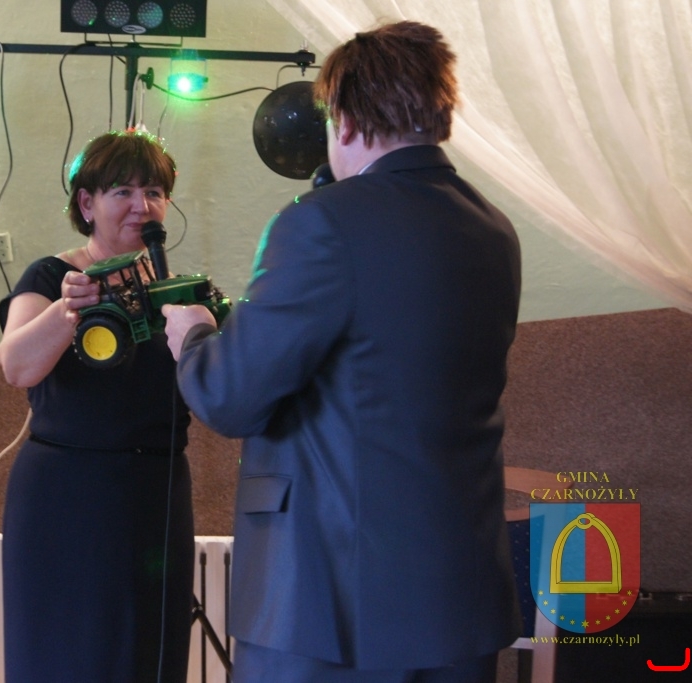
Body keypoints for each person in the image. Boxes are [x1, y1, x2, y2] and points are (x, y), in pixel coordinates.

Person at [162, 20, 522, 683]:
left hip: (332, 599)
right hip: (459, 596)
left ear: (347, 119)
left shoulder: (322, 221)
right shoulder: (494, 230)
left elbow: (230, 395)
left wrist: (194, 336)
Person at [0, 130, 193, 682]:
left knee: (148, 651)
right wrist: (67, 311)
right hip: (67, 496)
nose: (141, 205)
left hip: (156, 493)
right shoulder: (50, 278)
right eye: (122, 191)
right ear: (87, 203)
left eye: (154, 192)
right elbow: (16, 366)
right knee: (66, 651)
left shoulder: (175, 292)